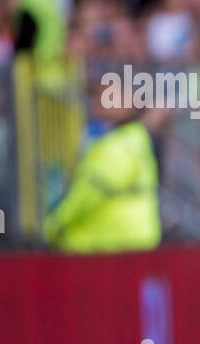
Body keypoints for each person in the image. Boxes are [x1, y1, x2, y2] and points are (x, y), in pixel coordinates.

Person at [43, 81, 160, 252]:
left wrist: (54, 226)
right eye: (98, 95)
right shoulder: (134, 138)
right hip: (133, 239)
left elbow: (88, 193)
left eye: (109, 96)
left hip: (111, 242)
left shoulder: (118, 145)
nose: (99, 101)